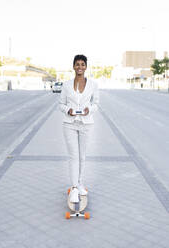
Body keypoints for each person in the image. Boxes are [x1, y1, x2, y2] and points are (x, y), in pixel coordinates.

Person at [59, 55, 99, 203]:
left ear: (86, 67)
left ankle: (80, 182)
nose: (80, 67)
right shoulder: (66, 85)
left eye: (83, 64)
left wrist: (89, 109)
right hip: (69, 124)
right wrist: (68, 110)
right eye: (77, 64)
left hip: (86, 124)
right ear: (73, 66)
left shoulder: (93, 85)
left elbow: (96, 103)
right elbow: (61, 104)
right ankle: (74, 187)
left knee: (82, 156)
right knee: (73, 156)